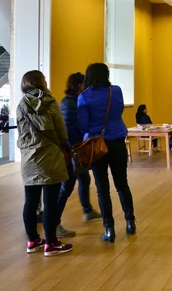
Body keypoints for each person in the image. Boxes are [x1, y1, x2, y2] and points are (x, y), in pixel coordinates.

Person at [17, 70, 73, 256]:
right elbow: (59, 127)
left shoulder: (21, 104)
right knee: (50, 202)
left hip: (29, 158)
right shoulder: (49, 101)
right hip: (49, 156)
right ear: (41, 82)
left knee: (30, 201)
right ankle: (51, 243)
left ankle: (33, 241)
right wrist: (65, 145)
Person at [78, 63, 135, 243]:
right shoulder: (116, 91)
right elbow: (118, 112)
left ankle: (109, 229)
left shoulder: (84, 97)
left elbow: (83, 126)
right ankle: (130, 222)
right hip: (118, 142)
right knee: (122, 184)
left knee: (102, 187)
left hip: (97, 146)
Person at [56, 72, 101, 239]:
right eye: (84, 84)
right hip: (72, 151)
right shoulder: (70, 103)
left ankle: (88, 210)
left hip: (75, 150)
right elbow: (70, 130)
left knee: (84, 179)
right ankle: (54, 223)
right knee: (66, 187)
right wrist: (77, 147)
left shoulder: (72, 101)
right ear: (78, 86)